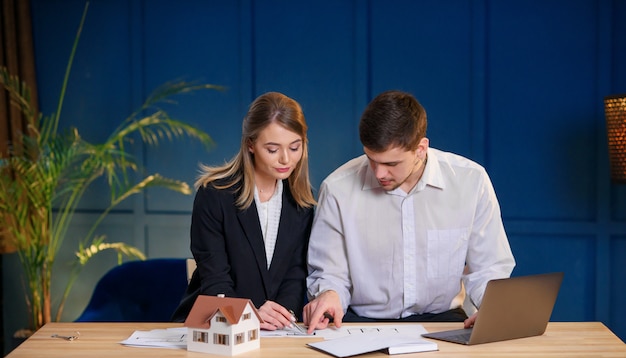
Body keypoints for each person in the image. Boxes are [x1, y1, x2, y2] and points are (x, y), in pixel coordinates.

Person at [303, 90, 515, 333]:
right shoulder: (337, 188)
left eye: (391, 164)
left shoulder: (471, 181)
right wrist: (329, 294)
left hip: (444, 319)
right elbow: (330, 272)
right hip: (362, 323)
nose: (379, 173)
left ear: (421, 149)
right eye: (372, 159)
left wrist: (491, 310)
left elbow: (488, 267)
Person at [171, 92, 316, 330]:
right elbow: (215, 278)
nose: (285, 159)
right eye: (272, 149)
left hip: (276, 331)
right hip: (216, 325)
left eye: (294, 147)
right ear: (251, 145)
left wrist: (281, 316)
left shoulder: (302, 204)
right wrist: (253, 315)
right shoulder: (214, 195)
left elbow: (295, 274)